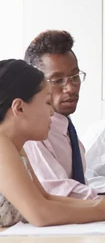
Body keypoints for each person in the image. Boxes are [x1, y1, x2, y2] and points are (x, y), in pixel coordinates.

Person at [0, 59, 105, 227]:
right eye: (47, 102)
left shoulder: (17, 148)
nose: (51, 113)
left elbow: (45, 198)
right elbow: (39, 213)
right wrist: (100, 210)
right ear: (19, 108)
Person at [22, 30, 97, 199]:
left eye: (75, 76)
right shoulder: (32, 135)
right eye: (57, 80)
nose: (70, 88)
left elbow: (79, 187)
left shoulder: (67, 129)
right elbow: (61, 192)